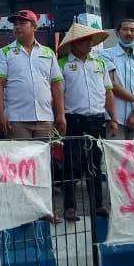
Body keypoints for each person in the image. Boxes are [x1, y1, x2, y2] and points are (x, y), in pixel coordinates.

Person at [57, 23, 115, 221]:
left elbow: (108, 92)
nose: (89, 44)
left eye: (90, 40)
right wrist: (60, 117)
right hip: (74, 119)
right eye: (84, 40)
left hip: (97, 119)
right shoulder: (63, 64)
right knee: (72, 164)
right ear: (74, 43)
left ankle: (98, 205)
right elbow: (58, 94)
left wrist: (113, 118)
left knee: (95, 165)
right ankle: (70, 207)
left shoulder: (100, 64)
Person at [0, 10, 65, 139]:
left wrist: (60, 114)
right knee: (20, 158)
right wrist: (0, 115)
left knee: (45, 158)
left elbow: (56, 85)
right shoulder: (4, 52)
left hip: (45, 118)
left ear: (34, 27)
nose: (18, 27)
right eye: (15, 24)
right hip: (16, 119)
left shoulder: (48, 53)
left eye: (23, 23)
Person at [103, 19, 134, 140]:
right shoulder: (105, 55)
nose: (128, 33)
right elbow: (111, 85)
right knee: (115, 157)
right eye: (125, 29)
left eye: (133, 30)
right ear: (117, 33)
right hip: (114, 120)